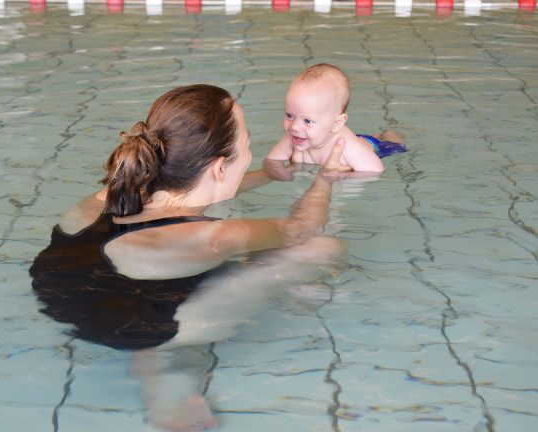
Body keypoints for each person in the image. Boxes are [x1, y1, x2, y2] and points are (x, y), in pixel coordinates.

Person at [30, 84, 352, 432]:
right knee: (322, 250)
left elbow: (194, 194)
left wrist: (267, 177)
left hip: (63, 298)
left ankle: (155, 347)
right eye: (247, 143)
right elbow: (302, 227)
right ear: (218, 168)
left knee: (165, 258)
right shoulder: (214, 238)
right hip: (136, 329)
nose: (249, 151)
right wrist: (327, 178)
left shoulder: (125, 186)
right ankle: (157, 366)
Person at [266, 63, 407, 175]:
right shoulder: (294, 135)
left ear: (337, 123)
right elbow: (272, 162)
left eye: (307, 121)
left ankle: (389, 134)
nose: (294, 127)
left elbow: (376, 170)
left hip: (374, 147)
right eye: (289, 115)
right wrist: (286, 172)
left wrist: (345, 175)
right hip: (340, 137)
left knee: (394, 144)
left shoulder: (351, 150)